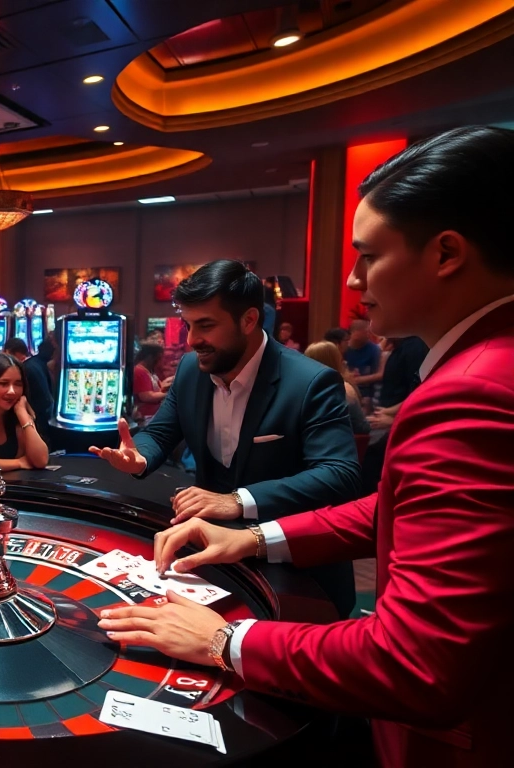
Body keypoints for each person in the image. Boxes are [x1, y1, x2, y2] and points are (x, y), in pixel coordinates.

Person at [96, 125, 514, 768]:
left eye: (369, 255)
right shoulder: (485, 364)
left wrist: (225, 641)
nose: (352, 279)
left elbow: (418, 663)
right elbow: (401, 511)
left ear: (447, 252)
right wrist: (251, 539)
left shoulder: (472, 392)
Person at [89, 259, 360, 616]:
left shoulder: (311, 382)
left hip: (298, 574)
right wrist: (140, 455)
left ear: (249, 320)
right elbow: (162, 431)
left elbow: (339, 474)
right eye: (188, 325)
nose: (191, 340)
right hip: (219, 564)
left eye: (205, 325)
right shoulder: (191, 369)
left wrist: (238, 500)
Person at [304, 341, 370, 435]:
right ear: (335, 360)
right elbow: (362, 428)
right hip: (347, 444)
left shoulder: (302, 390)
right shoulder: (345, 388)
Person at [4, 338, 54, 435]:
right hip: (47, 413)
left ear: (9, 352)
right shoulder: (36, 362)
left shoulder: (23, 369)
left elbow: (20, 398)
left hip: (36, 420)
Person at [131, 343, 169, 425]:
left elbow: (158, 388)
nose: (160, 361)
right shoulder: (139, 371)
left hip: (154, 415)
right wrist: (169, 393)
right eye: (159, 358)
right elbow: (147, 396)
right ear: (150, 357)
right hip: (146, 418)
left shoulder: (148, 370)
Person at [344, 319, 383, 397]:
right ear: (355, 333)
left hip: (367, 392)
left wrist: (358, 380)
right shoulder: (343, 348)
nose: (369, 335)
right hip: (345, 388)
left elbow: (378, 374)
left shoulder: (374, 349)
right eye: (366, 332)